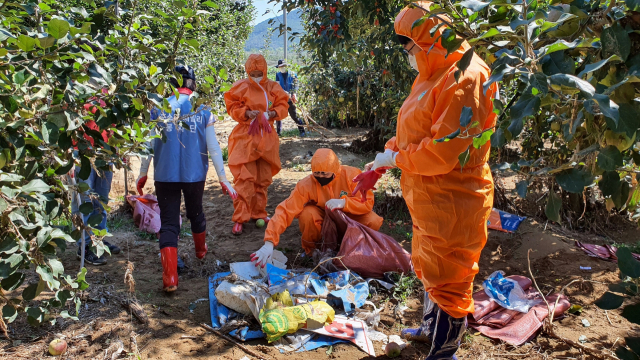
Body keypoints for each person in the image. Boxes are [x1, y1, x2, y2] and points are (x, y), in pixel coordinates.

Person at [366, 2, 497, 359]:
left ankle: (445, 352)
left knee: (451, 278)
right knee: (428, 266)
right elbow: (416, 127)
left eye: (409, 45)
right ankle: (429, 328)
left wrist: (397, 159)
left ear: (429, 39)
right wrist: (389, 153)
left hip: (455, 198)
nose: (406, 53)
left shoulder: (466, 77)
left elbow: (443, 151)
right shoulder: (430, 72)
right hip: (427, 196)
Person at [136, 65, 237, 292]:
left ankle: (170, 279)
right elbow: (213, 147)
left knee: (169, 224)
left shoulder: (158, 109)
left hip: (165, 175)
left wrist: (143, 174)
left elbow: (147, 146)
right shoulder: (203, 110)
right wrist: (223, 178)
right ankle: (200, 251)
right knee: (196, 212)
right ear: (193, 83)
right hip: (194, 176)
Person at [250, 148, 383, 266]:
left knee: (373, 220)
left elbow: (367, 202)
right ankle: (313, 251)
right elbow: (286, 210)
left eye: (325, 174)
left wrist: (345, 203)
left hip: (348, 217)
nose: (320, 177)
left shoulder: (352, 175)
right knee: (307, 214)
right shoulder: (306, 185)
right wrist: (269, 242)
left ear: (335, 171)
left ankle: (355, 248)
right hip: (323, 219)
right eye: (317, 173)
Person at [224, 54, 290, 235]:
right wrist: (246, 113)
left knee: (262, 180)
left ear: (265, 71)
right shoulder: (241, 87)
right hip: (246, 139)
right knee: (244, 180)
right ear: (247, 71)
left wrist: (272, 114)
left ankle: (259, 213)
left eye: (259, 73)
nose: (256, 76)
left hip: (267, 139)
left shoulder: (273, 87)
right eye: (252, 73)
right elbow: (232, 106)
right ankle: (240, 218)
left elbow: (284, 105)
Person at [71, 87, 121, 266]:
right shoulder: (75, 90)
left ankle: (98, 239)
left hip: (104, 153)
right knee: (84, 200)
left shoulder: (109, 89)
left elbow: (114, 121)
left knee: (101, 199)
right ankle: (83, 244)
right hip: (82, 152)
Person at [273, 60, 306, 137]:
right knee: (278, 115)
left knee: (294, 116)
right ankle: (278, 132)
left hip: (290, 99)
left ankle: (302, 131)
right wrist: (284, 92)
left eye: (283, 66)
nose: (282, 68)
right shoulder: (278, 75)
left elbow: (296, 85)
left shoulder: (293, 74)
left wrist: (294, 93)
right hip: (281, 99)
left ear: (286, 66)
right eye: (280, 67)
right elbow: (277, 86)